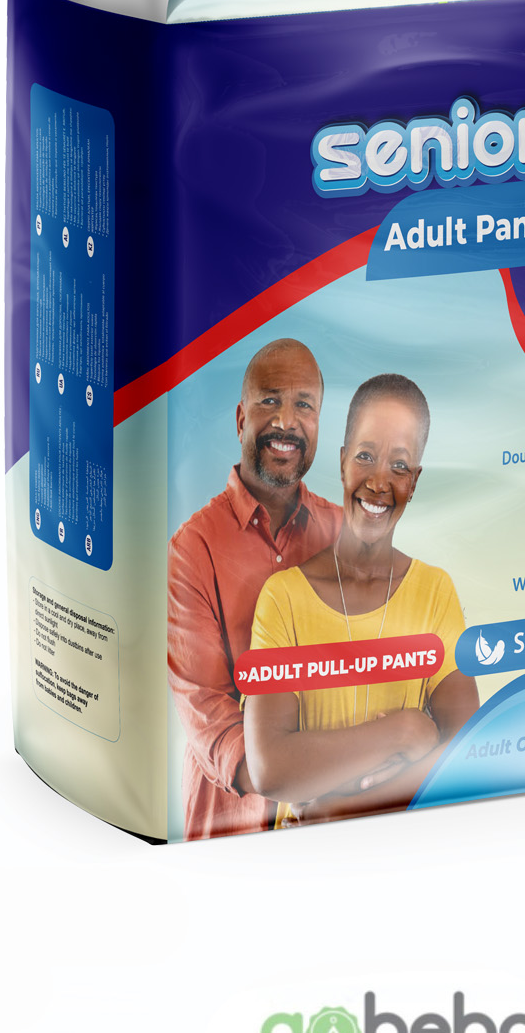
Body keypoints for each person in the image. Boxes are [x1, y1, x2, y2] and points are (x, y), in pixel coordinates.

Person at [245, 374, 478, 826]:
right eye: (365, 456)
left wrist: (340, 808)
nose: (379, 482)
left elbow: (468, 751)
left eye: (400, 465)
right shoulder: (284, 597)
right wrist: (404, 731)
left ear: (415, 481)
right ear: (342, 461)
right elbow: (271, 770)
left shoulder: (434, 592)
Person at [167, 339, 341, 840]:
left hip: (336, 823)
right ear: (241, 419)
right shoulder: (193, 547)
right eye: (270, 400)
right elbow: (205, 706)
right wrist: (292, 780)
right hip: (232, 831)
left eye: (304, 405)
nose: (287, 421)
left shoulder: (344, 533)